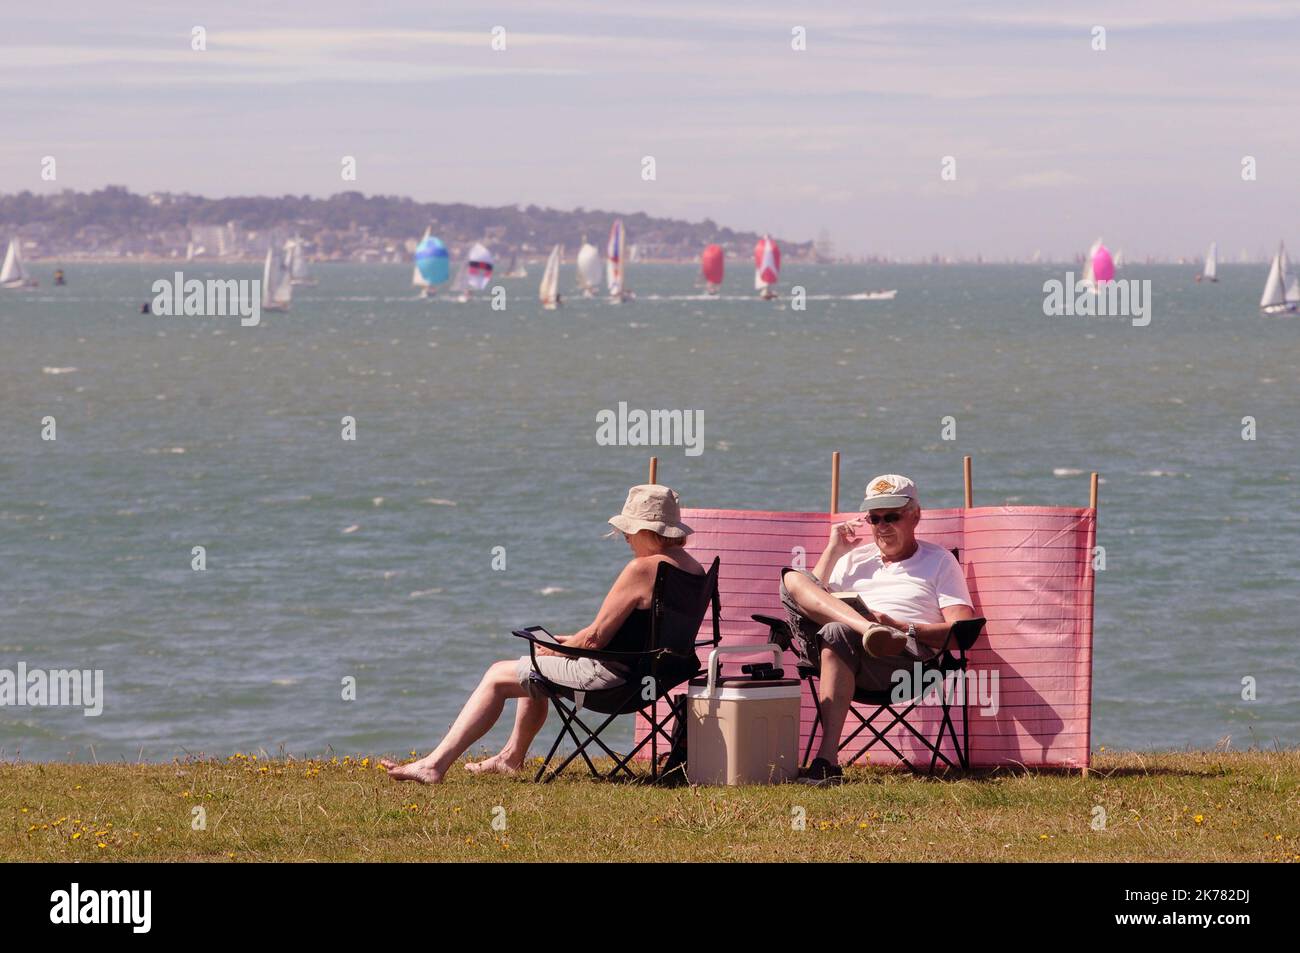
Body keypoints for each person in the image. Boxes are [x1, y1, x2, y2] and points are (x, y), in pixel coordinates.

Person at [382, 484, 703, 784]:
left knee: (498, 675)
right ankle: (510, 757)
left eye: (628, 532)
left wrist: (561, 649)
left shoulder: (643, 569)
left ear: (648, 531)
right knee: (534, 663)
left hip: (614, 682)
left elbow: (594, 641)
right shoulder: (693, 570)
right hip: (651, 677)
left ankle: (433, 765)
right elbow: (637, 632)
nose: (625, 539)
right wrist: (566, 643)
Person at [778, 474, 976, 784]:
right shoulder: (852, 559)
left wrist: (899, 627)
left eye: (892, 516)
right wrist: (833, 551)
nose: (882, 525)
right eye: (874, 518)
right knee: (791, 580)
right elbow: (807, 600)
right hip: (842, 649)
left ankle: (826, 762)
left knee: (836, 633)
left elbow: (961, 632)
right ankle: (867, 628)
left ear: (916, 516)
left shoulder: (939, 561)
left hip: (907, 663)